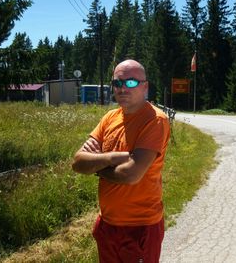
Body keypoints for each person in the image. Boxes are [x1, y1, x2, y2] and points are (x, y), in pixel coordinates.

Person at [72, 59, 170, 263]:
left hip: (140, 227)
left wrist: (97, 166)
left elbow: (131, 175)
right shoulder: (109, 118)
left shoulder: (155, 120)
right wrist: (114, 157)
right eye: (117, 83)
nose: (123, 88)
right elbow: (78, 162)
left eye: (131, 82)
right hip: (107, 224)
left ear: (145, 86)